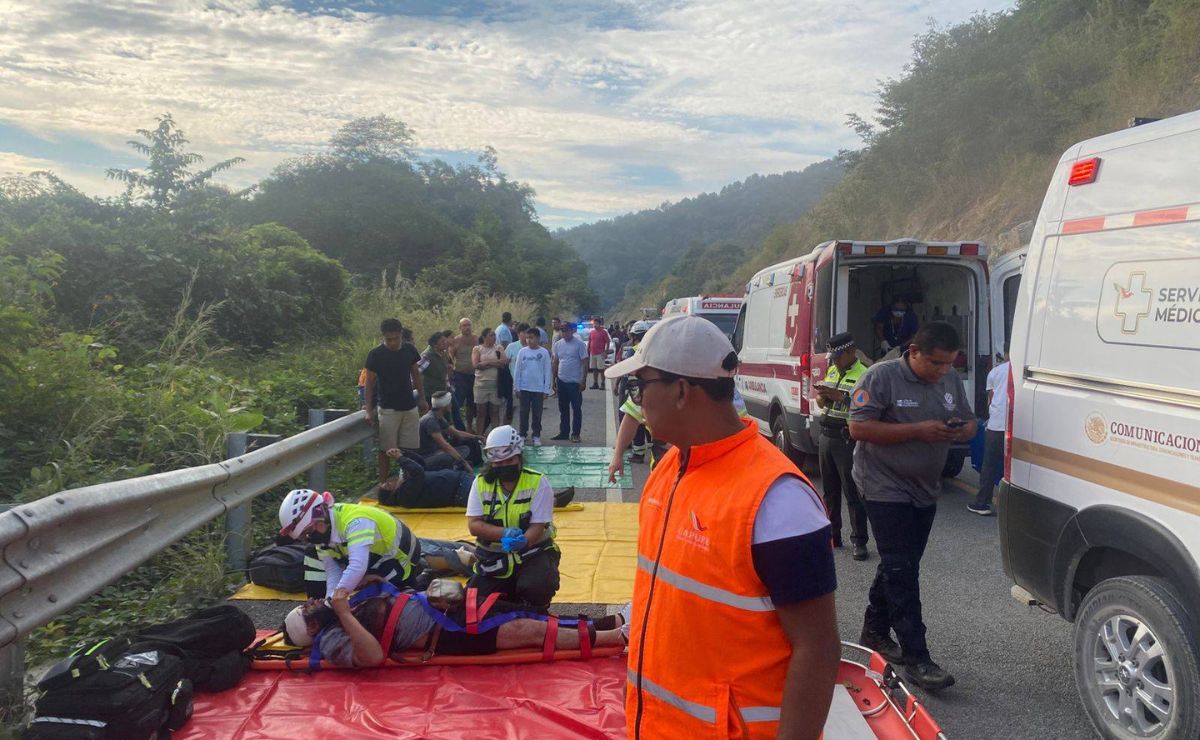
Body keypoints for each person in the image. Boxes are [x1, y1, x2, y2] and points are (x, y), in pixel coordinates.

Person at [604, 316, 840, 739]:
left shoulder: (777, 499)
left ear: (680, 391)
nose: (637, 401)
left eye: (642, 386)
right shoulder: (669, 470)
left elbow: (818, 650)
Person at [848, 321, 976, 691]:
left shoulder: (949, 380)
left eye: (949, 364)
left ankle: (874, 629)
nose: (943, 371)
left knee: (900, 563)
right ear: (914, 352)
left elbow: (969, 421)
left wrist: (959, 430)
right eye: (936, 363)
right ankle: (917, 658)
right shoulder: (881, 377)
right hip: (882, 486)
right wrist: (918, 430)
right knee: (902, 570)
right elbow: (859, 428)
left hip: (925, 488)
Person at [281, 582, 630, 667]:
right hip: (446, 635)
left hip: (446, 608)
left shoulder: (344, 605)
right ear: (310, 630)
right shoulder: (331, 640)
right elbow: (372, 657)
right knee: (532, 632)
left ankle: (613, 619)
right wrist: (342, 613)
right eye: (307, 611)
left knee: (531, 614)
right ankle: (618, 636)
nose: (312, 604)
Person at [466, 426, 561, 610]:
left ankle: (536, 610)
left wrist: (524, 541)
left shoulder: (537, 482)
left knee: (535, 587)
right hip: (493, 556)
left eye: (509, 460)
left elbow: (538, 525)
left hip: (532, 553)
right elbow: (474, 525)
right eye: (499, 463)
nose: (504, 466)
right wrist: (504, 533)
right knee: (474, 604)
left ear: (519, 457)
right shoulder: (480, 484)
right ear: (491, 463)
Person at [279, 488, 423, 600]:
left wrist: (334, 601)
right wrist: (329, 600)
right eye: (304, 536)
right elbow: (333, 571)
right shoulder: (324, 529)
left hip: (398, 557)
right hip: (371, 556)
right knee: (312, 554)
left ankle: (415, 582)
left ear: (320, 515)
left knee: (383, 609)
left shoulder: (356, 522)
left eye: (309, 531)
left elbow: (357, 566)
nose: (309, 537)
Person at [815, 332, 871, 561]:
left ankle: (859, 541)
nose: (834, 361)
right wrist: (823, 396)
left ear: (851, 352)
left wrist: (841, 397)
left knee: (852, 492)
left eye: (838, 357)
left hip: (846, 439)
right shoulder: (831, 370)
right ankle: (833, 534)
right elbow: (821, 402)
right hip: (826, 437)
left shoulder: (864, 374)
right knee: (829, 492)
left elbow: (865, 407)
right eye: (833, 357)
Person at [364, 318, 428, 486]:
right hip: (387, 408)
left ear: (401, 335)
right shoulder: (375, 354)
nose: (392, 342)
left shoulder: (409, 350)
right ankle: (383, 482)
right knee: (386, 449)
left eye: (395, 338)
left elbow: (416, 375)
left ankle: (408, 480)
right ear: (383, 337)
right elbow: (368, 383)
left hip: (409, 406)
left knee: (410, 448)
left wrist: (422, 398)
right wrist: (368, 409)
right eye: (388, 339)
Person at [969, 352, 1009, 516]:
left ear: (1006, 354)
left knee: (989, 465)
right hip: (1018, 425)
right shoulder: (1024, 371)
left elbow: (991, 399)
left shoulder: (996, 372)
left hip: (997, 424)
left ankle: (982, 503)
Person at [379, 449, 474, 508]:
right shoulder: (404, 497)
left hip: (460, 481)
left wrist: (403, 453)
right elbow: (418, 471)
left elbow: (421, 464)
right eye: (387, 486)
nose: (390, 482)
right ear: (390, 494)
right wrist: (400, 458)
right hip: (460, 489)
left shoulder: (405, 487)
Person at [417, 391, 483, 472]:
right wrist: (464, 463)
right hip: (427, 457)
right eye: (450, 403)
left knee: (470, 443)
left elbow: (458, 433)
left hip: (437, 451)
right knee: (448, 457)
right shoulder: (430, 421)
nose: (451, 405)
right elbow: (445, 445)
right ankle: (459, 467)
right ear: (445, 405)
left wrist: (477, 437)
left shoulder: (439, 417)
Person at [513, 326, 551, 446]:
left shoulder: (544, 353)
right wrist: (516, 387)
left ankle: (536, 435)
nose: (529, 340)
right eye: (527, 338)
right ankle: (523, 434)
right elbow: (517, 370)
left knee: (537, 413)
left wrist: (546, 389)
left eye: (532, 338)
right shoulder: (522, 352)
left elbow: (547, 371)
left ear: (538, 338)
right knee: (523, 412)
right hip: (524, 388)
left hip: (538, 389)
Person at [550, 323, 589, 443]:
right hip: (562, 380)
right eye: (562, 330)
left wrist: (583, 380)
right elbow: (556, 362)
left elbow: (585, 363)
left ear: (572, 331)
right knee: (563, 408)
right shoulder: (558, 344)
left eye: (566, 330)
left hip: (575, 382)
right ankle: (564, 432)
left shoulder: (580, 345)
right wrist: (554, 380)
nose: (564, 333)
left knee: (576, 409)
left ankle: (576, 434)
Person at [472, 328, 507, 436]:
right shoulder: (477, 349)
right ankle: (479, 436)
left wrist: (486, 362)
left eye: (494, 335)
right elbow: (476, 365)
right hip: (480, 385)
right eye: (491, 335)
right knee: (481, 412)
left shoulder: (499, 347)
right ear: (484, 337)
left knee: (495, 412)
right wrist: (495, 363)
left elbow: (503, 362)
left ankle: (495, 436)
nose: (494, 337)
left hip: (495, 384)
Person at [450, 318, 478, 430]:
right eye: (464, 325)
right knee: (458, 403)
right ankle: (456, 428)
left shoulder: (476, 339)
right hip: (460, 375)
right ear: (460, 327)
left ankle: (470, 427)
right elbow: (450, 358)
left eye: (469, 325)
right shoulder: (455, 340)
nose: (467, 327)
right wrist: (451, 373)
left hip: (475, 375)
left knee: (472, 403)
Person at [420, 332, 450, 406]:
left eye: (445, 340)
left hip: (443, 391)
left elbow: (444, 372)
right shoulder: (427, 356)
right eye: (442, 341)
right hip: (431, 394)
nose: (445, 343)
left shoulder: (444, 353)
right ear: (435, 344)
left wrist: (448, 386)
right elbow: (417, 372)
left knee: (452, 412)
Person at [586, 318, 610, 390]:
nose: (595, 325)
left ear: (600, 324)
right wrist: (588, 350)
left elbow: (607, 342)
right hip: (592, 353)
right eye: (594, 324)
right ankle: (595, 383)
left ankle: (603, 383)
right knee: (594, 369)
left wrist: (606, 352)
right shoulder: (592, 332)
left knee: (601, 369)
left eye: (596, 323)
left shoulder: (603, 332)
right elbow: (589, 341)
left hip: (600, 353)